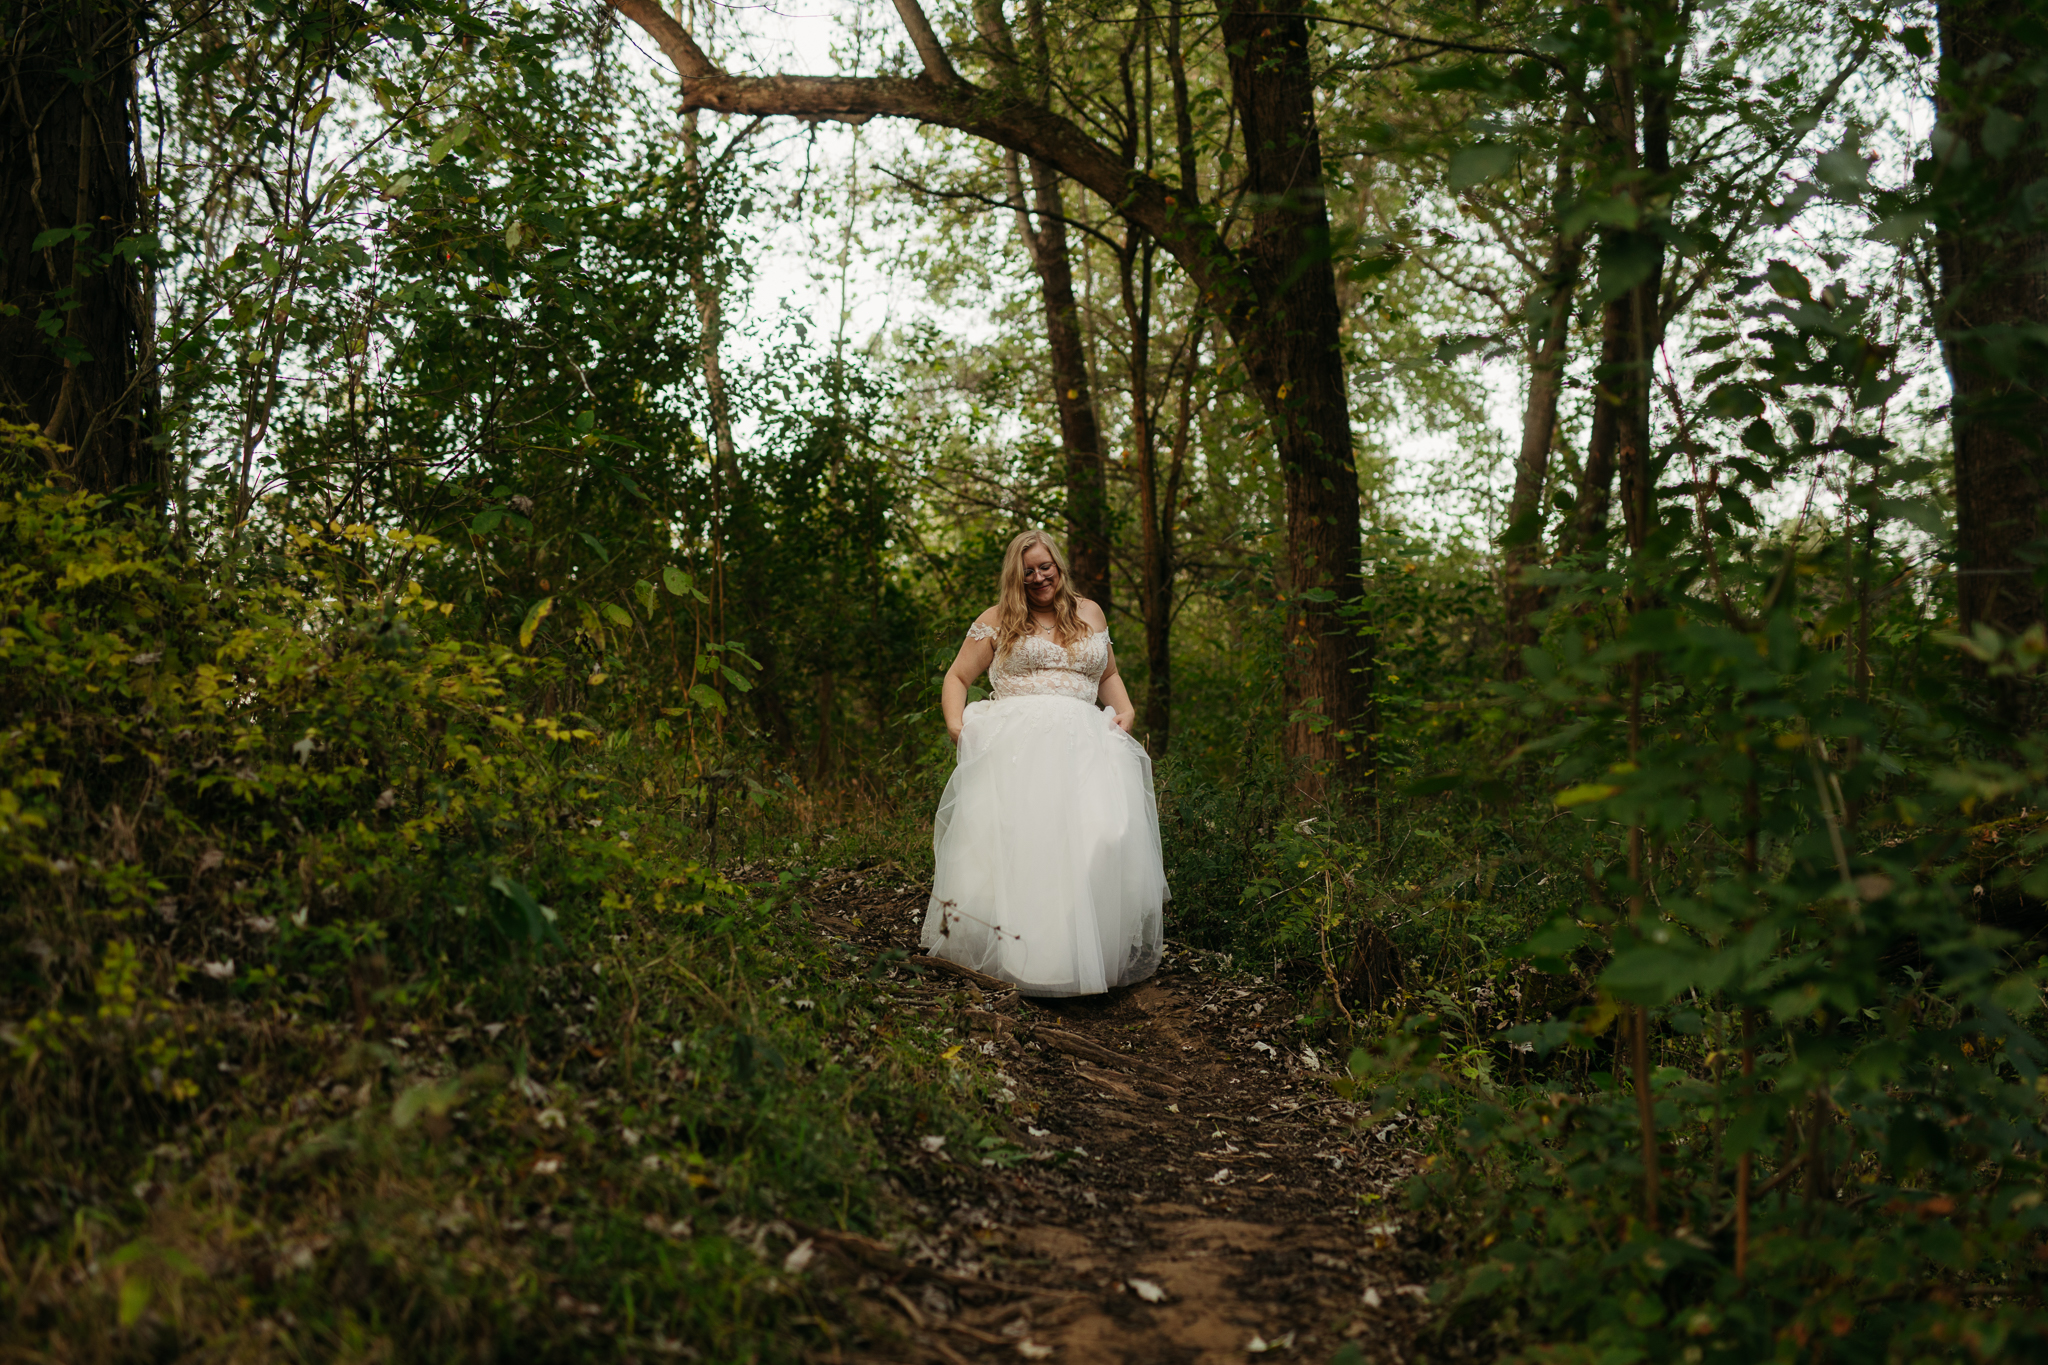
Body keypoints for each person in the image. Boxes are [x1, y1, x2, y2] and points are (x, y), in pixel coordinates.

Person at [921, 528, 1167, 996]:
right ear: (1017, 576)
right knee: (1030, 848)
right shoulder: (997, 620)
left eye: (1044, 568)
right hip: (1019, 747)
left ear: (1058, 566)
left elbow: (1108, 673)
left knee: (1102, 836)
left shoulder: (1089, 612)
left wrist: (1128, 710)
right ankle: (1029, 963)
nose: (1038, 578)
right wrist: (957, 724)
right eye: (1027, 571)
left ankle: (1085, 953)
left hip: (1086, 747)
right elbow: (957, 675)